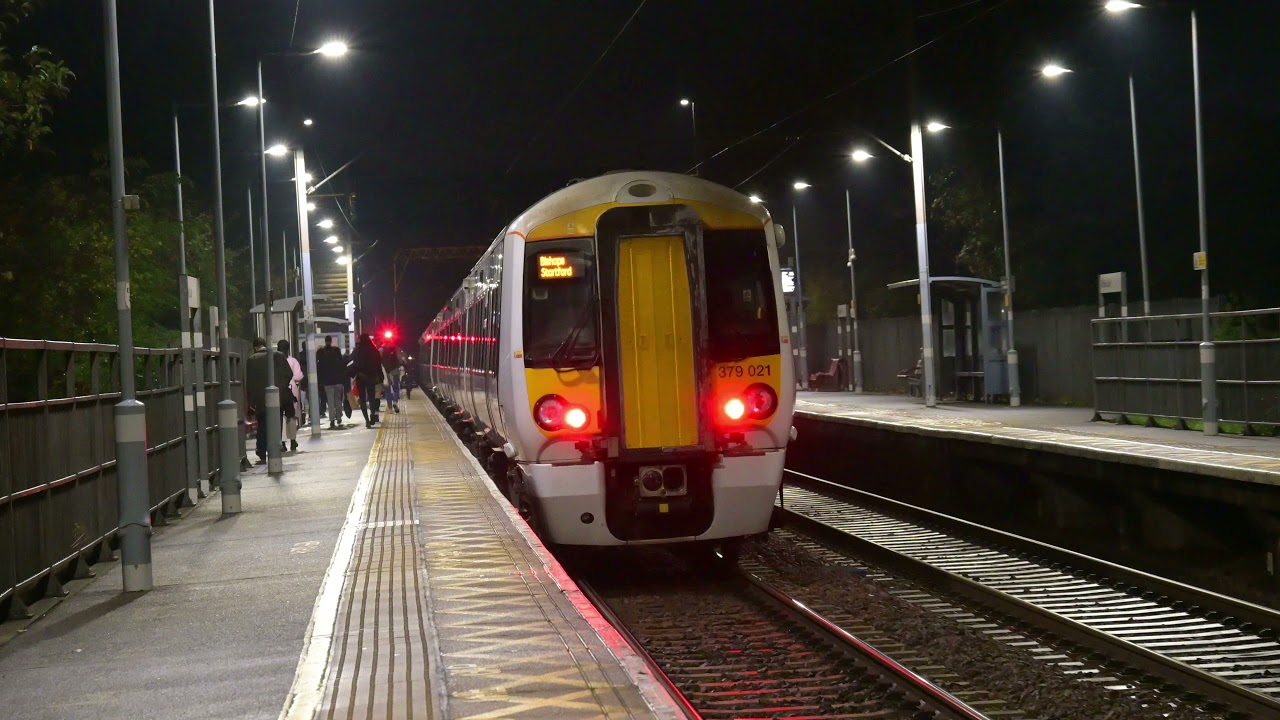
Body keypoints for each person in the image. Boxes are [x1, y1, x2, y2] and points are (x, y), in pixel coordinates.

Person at [245, 336, 292, 465]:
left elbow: (249, 383)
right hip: (277, 397)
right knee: (277, 422)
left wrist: (251, 401)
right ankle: (275, 448)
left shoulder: (252, 360)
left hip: (260, 399)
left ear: (255, 347)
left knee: (262, 425)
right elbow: (289, 374)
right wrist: (281, 387)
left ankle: (262, 451)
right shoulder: (279, 356)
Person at [348, 334, 385, 428]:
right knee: (372, 397)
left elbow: (350, 359)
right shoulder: (374, 350)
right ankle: (372, 414)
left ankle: (367, 420)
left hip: (360, 377)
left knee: (362, 399)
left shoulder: (357, 350)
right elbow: (378, 364)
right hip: (371, 377)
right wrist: (381, 377)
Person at [317, 335, 346, 429]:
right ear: (331, 341)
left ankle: (332, 420)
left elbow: (319, 367)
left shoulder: (321, 352)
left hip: (327, 381)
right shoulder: (336, 351)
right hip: (338, 380)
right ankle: (339, 417)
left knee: (330, 401)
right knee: (338, 399)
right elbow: (342, 364)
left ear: (325, 341)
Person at [279, 339, 303, 452]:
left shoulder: (274, 361)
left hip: (278, 391)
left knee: (281, 417)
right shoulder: (293, 361)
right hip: (291, 390)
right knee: (291, 416)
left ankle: (282, 442)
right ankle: (293, 441)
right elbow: (298, 376)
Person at [382, 344, 404, 413]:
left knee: (387, 391)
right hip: (395, 372)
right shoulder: (396, 349)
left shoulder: (381, 350)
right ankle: (395, 402)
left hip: (385, 373)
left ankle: (390, 409)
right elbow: (400, 360)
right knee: (396, 388)